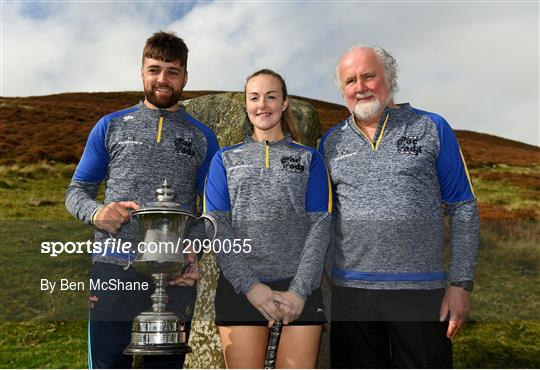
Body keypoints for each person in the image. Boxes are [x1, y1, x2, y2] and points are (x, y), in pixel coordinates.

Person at [65, 31, 219, 369]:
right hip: (113, 270)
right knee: (106, 365)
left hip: (174, 277)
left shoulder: (203, 137)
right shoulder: (111, 126)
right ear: (142, 72)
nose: (162, 79)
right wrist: (97, 212)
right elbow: (76, 192)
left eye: (172, 71)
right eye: (154, 69)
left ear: (185, 77)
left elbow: (215, 210)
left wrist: (192, 251)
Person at [319, 45, 480, 368]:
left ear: (389, 78)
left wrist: (461, 284)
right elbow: (321, 219)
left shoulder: (431, 127)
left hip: (420, 291)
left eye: (368, 76)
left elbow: (463, 207)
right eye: (350, 81)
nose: (360, 87)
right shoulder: (330, 142)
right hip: (351, 294)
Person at [203, 69, 332, 368]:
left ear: (285, 103)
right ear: (246, 105)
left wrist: (299, 291)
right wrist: (251, 287)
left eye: (271, 96)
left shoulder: (309, 158)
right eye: (255, 97)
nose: (263, 104)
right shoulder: (224, 159)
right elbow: (217, 225)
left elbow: (320, 224)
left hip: (300, 290)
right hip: (241, 289)